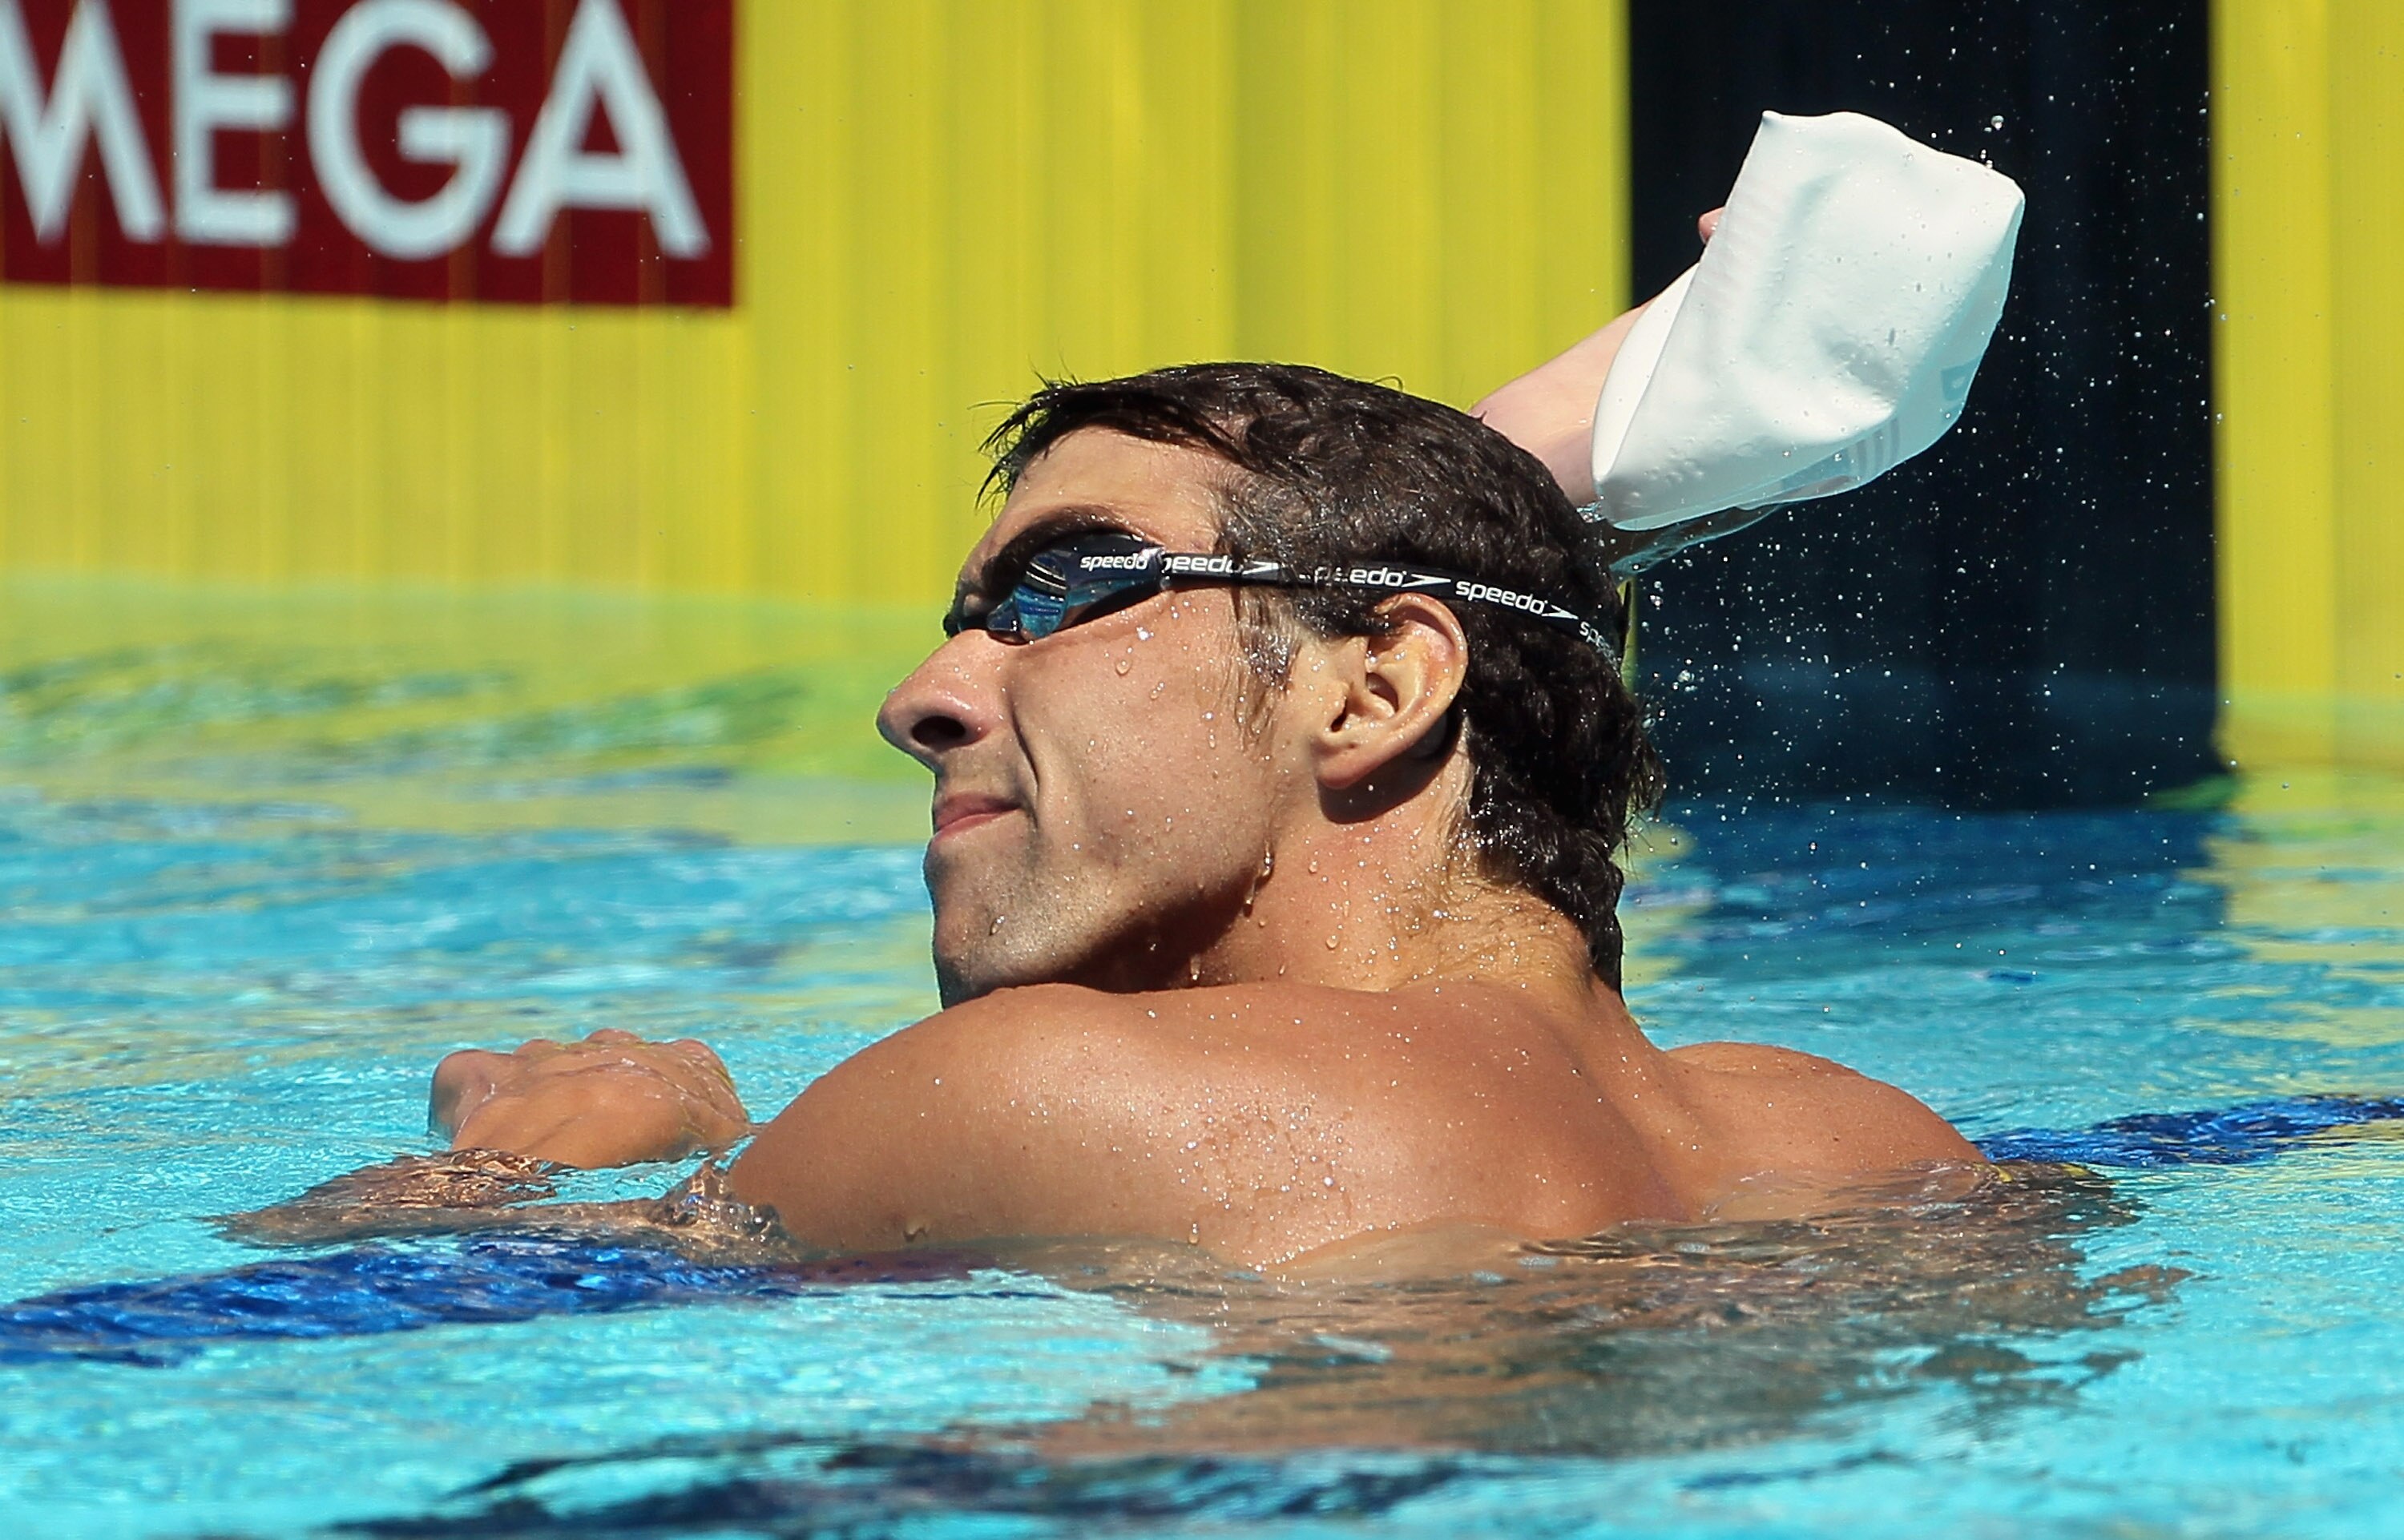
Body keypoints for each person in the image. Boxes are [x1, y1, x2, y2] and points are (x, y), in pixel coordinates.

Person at [395, 276, 1977, 1269]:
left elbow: (364, 1320)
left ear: (1379, 687)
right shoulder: (1885, 1158)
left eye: (1060, 590)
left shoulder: (1039, 1094)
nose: (922, 698)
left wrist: (526, 1165)